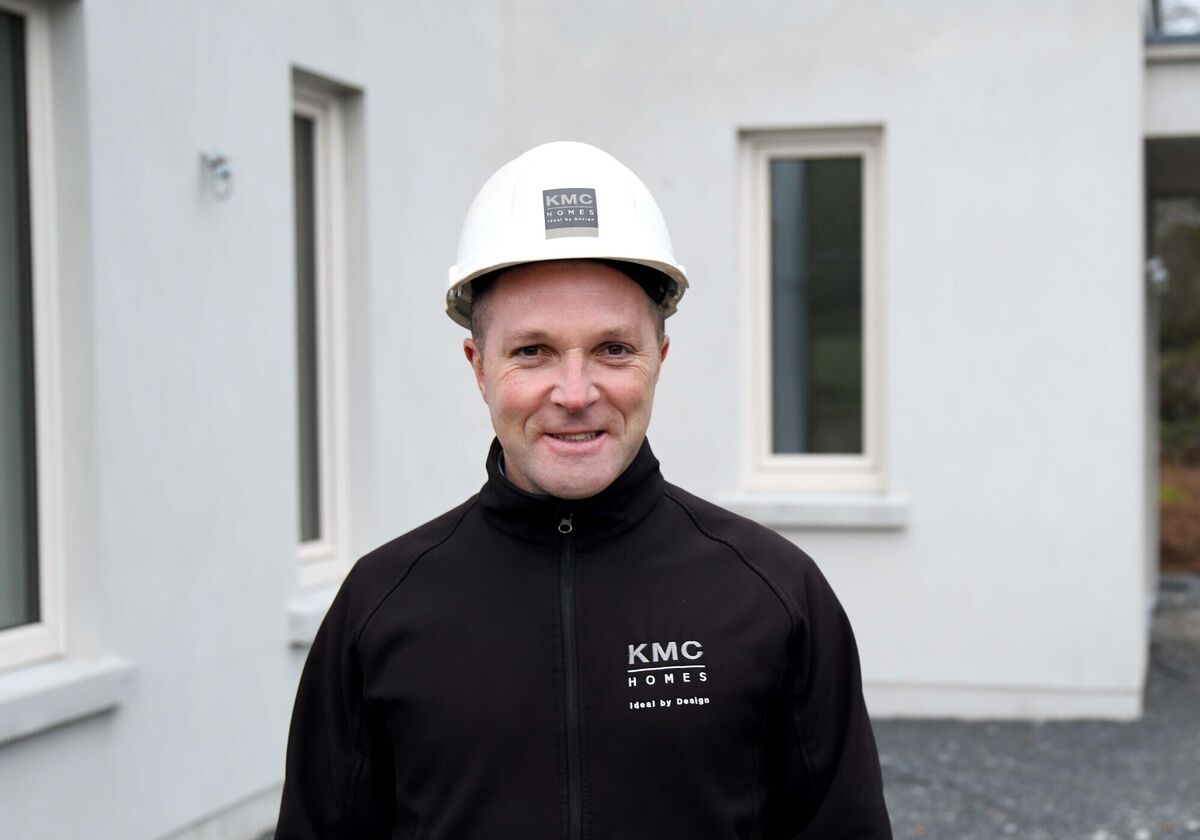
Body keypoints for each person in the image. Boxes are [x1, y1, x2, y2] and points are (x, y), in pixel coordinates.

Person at [275, 141, 892, 839]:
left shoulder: (776, 596)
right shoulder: (380, 608)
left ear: (659, 357)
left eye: (612, 349)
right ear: (478, 366)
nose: (575, 393)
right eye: (532, 352)